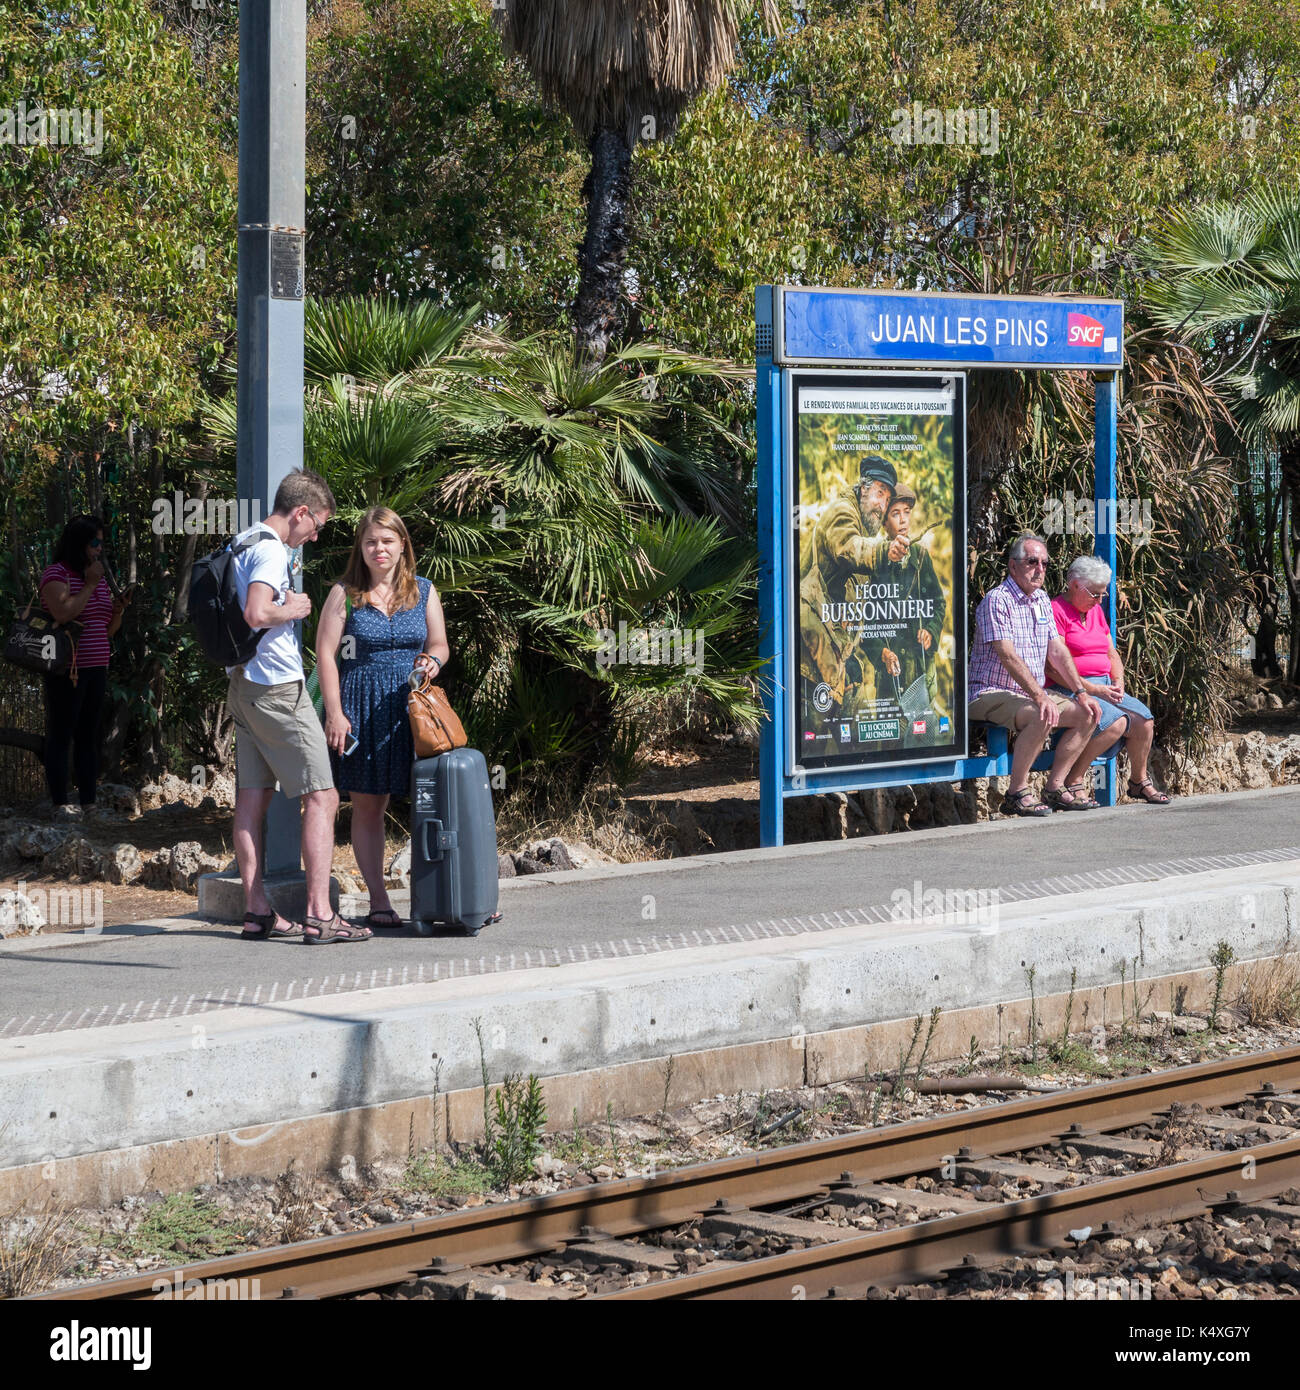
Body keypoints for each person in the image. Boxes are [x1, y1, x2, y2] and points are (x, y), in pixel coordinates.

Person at [227, 469, 369, 944]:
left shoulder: (243, 539)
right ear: (301, 512)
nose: (315, 535)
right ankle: (319, 914)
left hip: (244, 686)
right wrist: (297, 608)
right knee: (323, 797)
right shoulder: (270, 547)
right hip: (278, 690)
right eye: (317, 524)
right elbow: (257, 612)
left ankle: (256, 912)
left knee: (252, 799)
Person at [315, 507, 450, 929]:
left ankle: (447, 896)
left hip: (413, 711)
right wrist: (334, 713)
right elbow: (325, 654)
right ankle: (379, 900)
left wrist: (432, 662)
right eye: (371, 541)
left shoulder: (425, 591)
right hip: (359, 708)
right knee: (369, 807)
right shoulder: (345, 592)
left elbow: (440, 645)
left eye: (387, 541)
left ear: (402, 544)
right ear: (361, 545)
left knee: (430, 803)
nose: (379, 549)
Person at [967, 534, 1112, 815]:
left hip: (1026, 693)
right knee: (1041, 712)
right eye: (1032, 561)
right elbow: (1007, 655)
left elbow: (1058, 650)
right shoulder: (998, 600)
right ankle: (1017, 792)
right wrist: (1039, 695)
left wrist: (1081, 693)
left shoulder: (1042, 600)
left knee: (1089, 713)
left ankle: (1055, 787)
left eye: (1045, 563)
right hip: (988, 690)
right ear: (1012, 566)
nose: (1040, 569)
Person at [1047, 555, 1171, 805]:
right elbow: (1054, 666)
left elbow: (1110, 652)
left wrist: (1118, 680)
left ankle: (1138, 781)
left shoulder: (1094, 611)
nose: (1100, 600)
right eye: (1095, 594)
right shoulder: (1056, 610)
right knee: (1115, 722)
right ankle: (1074, 779)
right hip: (1072, 686)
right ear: (1074, 585)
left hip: (1104, 685)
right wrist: (1092, 689)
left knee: (1144, 721)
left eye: (1102, 594)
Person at [799, 455, 907, 722]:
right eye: (878, 493)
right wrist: (885, 550)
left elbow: (863, 613)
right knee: (815, 735)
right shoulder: (842, 512)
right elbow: (849, 548)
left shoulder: (865, 532)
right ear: (863, 489)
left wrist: (881, 651)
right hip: (812, 650)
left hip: (840, 656)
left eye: (886, 498)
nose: (881, 504)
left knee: (857, 731)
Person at [38, 515, 127, 815]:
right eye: (94, 543)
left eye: (101, 543)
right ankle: (60, 804)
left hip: (96, 666)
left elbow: (106, 629)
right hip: (67, 669)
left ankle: (88, 803)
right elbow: (63, 613)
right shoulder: (57, 574)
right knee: (63, 734)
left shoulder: (98, 579)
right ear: (78, 544)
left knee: (90, 735)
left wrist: (117, 612)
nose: (99, 549)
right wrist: (89, 585)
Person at [863, 482, 946, 716]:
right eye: (895, 514)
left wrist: (930, 630)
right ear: (883, 521)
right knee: (891, 736)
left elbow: (938, 603)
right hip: (889, 676)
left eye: (906, 513)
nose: (903, 520)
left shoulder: (920, 557)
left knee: (921, 732)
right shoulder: (874, 561)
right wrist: (882, 653)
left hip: (920, 667)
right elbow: (864, 622)